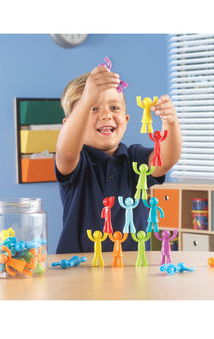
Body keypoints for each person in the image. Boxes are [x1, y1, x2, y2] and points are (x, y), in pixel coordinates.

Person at [54, 62, 182, 254]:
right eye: (92, 109)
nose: (106, 115)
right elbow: (66, 152)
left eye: (114, 107)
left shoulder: (134, 158)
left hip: (132, 266)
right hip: (78, 266)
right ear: (71, 124)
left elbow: (165, 160)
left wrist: (170, 123)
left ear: (126, 120)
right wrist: (87, 99)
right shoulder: (76, 160)